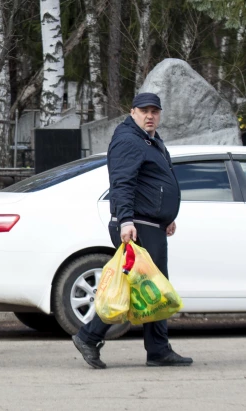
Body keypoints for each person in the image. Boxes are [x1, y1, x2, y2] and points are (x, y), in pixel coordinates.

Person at [72, 92, 193, 369]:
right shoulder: (129, 140)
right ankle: (89, 336)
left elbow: (152, 183)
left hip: (150, 224)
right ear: (133, 111)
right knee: (143, 287)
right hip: (138, 226)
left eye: (155, 111)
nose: (150, 116)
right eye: (144, 110)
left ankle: (157, 349)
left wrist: (166, 217)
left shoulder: (148, 140)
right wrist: (126, 220)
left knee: (150, 288)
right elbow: (122, 183)